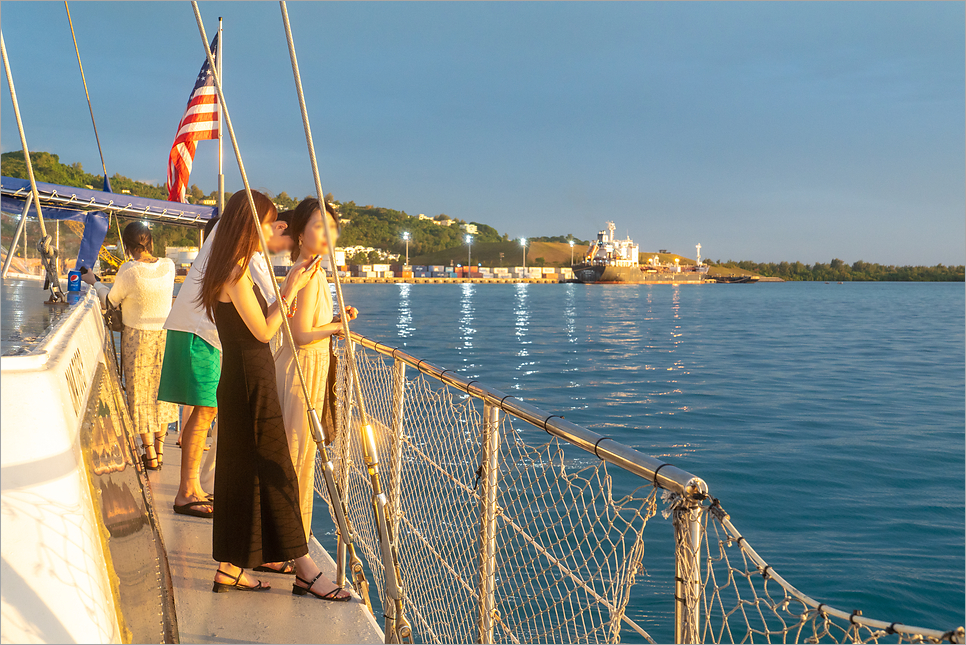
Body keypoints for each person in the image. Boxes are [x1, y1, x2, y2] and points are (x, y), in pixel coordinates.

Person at [199, 189, 351, 600]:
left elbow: (257, 326)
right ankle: (307, 571)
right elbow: (265, 331)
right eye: (268, 223)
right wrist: (289, 288)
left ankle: (230, 567)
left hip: (242, 376)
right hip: (251, 379)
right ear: (250, 225)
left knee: (242, 473)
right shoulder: (233, 272)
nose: (274, 229)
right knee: (275, 470)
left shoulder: (229, 268)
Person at [159, 208, 293, 519]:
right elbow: (262, 286)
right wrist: (287, 296)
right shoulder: (240, 250)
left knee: (206, 409)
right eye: (271, 227)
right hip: (200, 332)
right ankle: (186, 492)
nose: (274, 239)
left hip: (199, 329)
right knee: (206, 409)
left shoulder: (229, 237)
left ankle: (191, 487)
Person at [274, 198, 358, 542]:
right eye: (318, 226)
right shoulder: (308, 272)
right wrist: (337, 328)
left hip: (304, 368)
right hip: (302, 370)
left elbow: (307, 323)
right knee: (297, 463)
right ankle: (290, 547)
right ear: (300, 233)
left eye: (332, 227)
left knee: (300, 460)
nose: (327, 233)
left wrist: (333, 321)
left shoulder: (310, 269)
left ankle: (290, 543)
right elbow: (301, 334)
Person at [83, 222, 178, 471]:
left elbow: (111, 300)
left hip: (138, 339)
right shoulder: (169, 266)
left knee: (140, 395)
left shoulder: (129, 270)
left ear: (127, 246)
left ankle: (150, 456)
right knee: (162, 395)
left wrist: (94, 282)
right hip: (164, 337)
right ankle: (159, 450)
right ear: (151, 242)